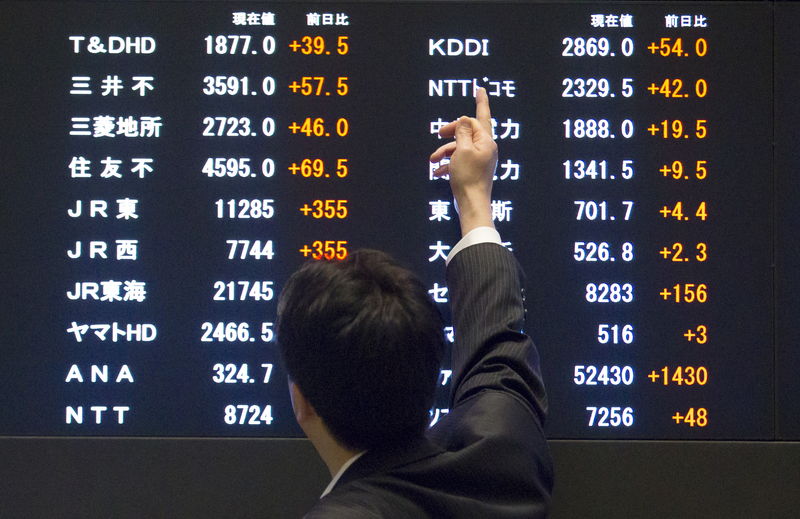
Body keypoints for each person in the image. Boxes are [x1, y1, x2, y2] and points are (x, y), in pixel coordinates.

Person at [277, 88, 553, 518]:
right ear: (428, 374)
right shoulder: (504, 461)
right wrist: (474, 200)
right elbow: (498, 358)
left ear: (302, 401)